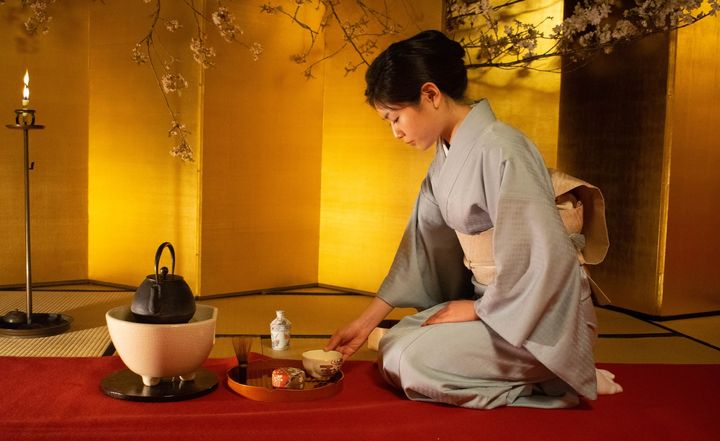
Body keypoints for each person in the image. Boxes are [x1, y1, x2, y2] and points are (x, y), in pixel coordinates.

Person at [325, 29, 623, 409]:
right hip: (494, 307)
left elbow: (543, 256)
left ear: (430, 95)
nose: (395, 132)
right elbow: (421, 251)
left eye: (395, 117)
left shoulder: (503, 148)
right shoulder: (443, 161)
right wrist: (365, 322)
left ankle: (555, 371)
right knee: (396, 341)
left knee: (407, 359)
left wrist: (479, 309)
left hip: (538, 316)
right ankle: (541, 373)